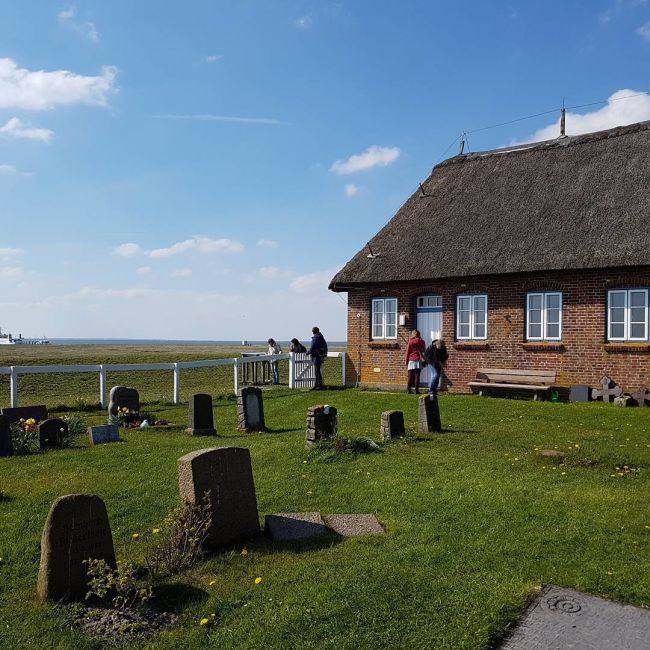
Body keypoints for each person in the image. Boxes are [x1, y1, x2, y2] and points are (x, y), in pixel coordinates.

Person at [405, 329, 426, 394]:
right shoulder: (422, 341)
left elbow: (408, 352)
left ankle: (409, 390)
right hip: (418, 359)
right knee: (417, 376)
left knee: (410, 376)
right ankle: (417, 390)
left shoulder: (410, 342)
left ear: (413, 334)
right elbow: (423, 350)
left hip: (411, 360)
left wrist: (406, 361)